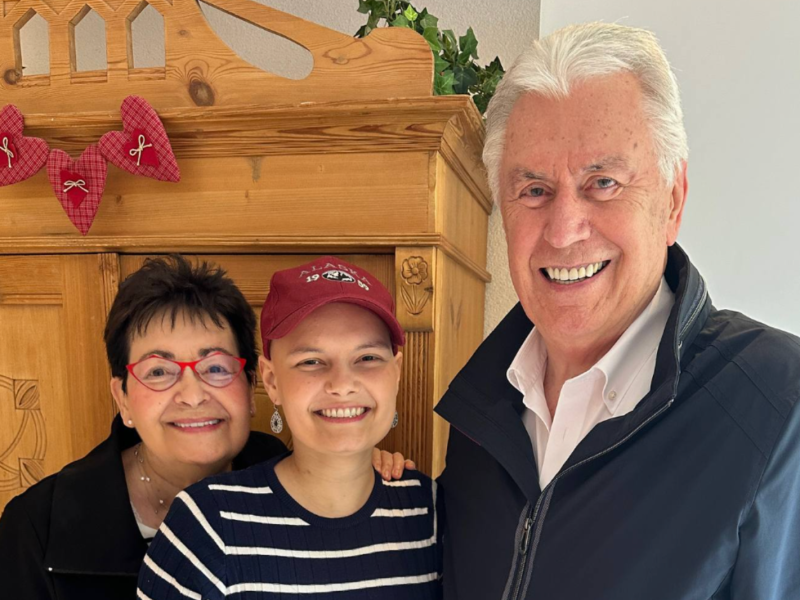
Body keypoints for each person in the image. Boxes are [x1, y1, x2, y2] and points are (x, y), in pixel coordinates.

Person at [435, 22, 800, 600]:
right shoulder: (476, 417)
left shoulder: (779, 404)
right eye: (534, 190)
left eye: (602, 182)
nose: (563, 230)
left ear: (673, 200)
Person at [0, 256, 411, 600]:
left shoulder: (287, 474)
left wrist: (355, 460)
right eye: (158, 371)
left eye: (215, 367)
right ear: (122, 397)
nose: (192, 395)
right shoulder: (39, 528)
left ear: (253, 387)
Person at [137, 256, 441, 599]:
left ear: (396, 372)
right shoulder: (205, 524)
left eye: (368, 358)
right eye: (311, 361)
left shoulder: (432, 512)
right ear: (271, 380)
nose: (342, 384)